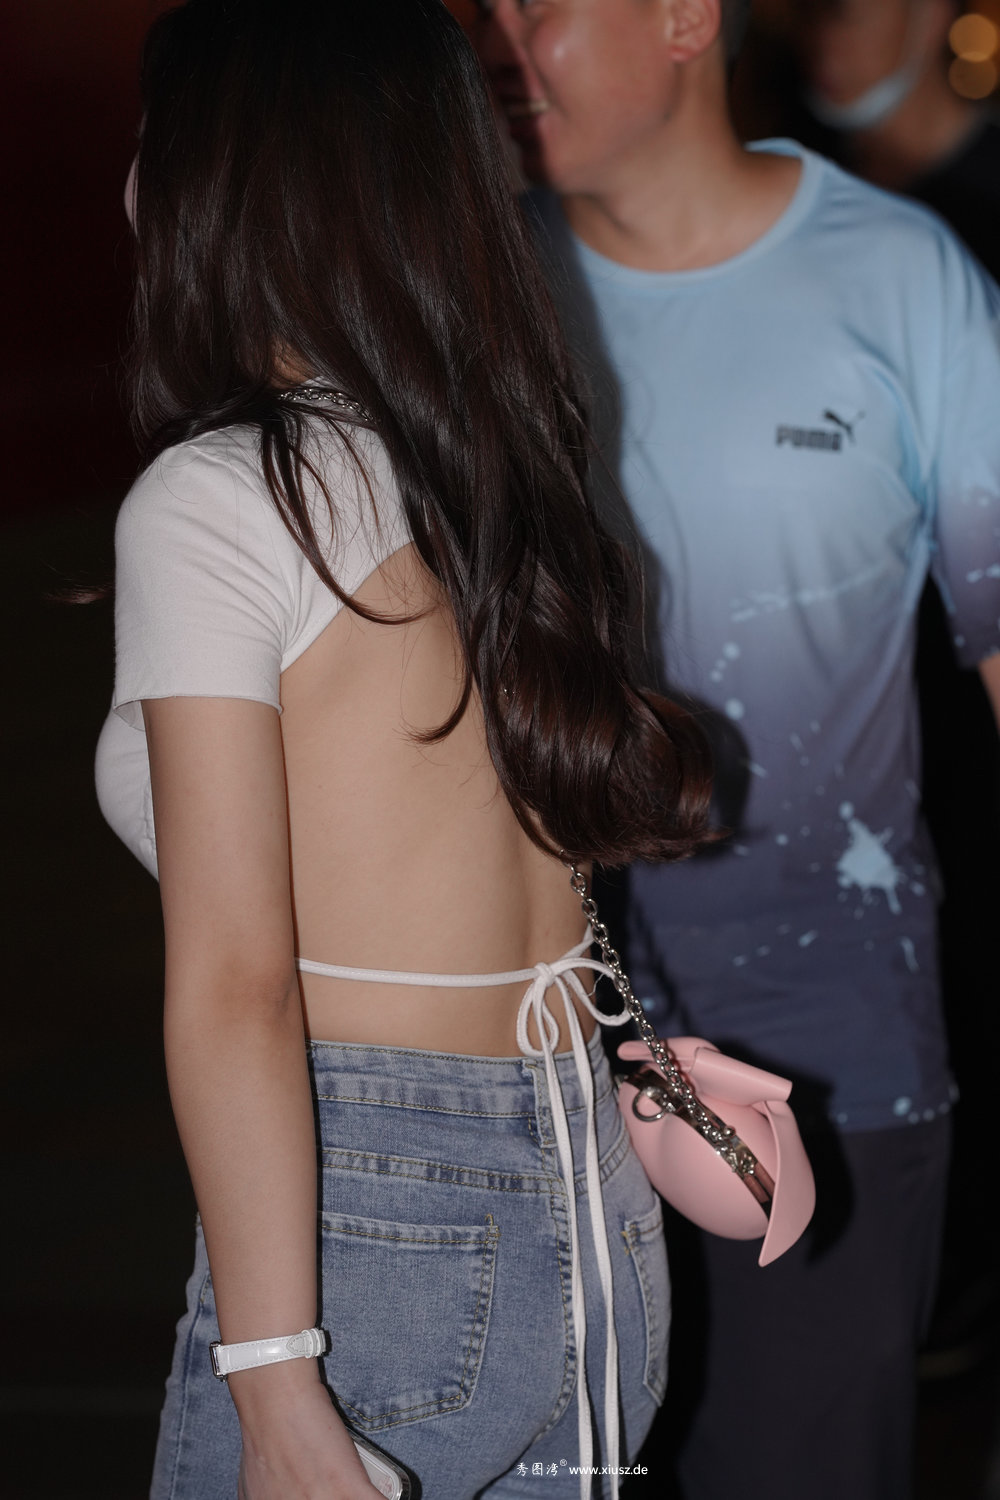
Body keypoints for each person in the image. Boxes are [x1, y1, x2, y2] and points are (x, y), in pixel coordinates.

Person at [93, 3, 713, 1498]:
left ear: (233, 180)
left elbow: (238, 985)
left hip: (380, 1232)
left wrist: (271, 1378)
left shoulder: (221, 498)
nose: (132, 175)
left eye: (158, 137)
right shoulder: (497, 471)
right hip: (590, 1212)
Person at [468, 1, 1000, 1497]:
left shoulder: (901, 278)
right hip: (508, 1080)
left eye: (542, 4)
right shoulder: (470, 286)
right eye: (484, 7)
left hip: (821, 1069)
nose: (502, 41)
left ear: (685, 15)